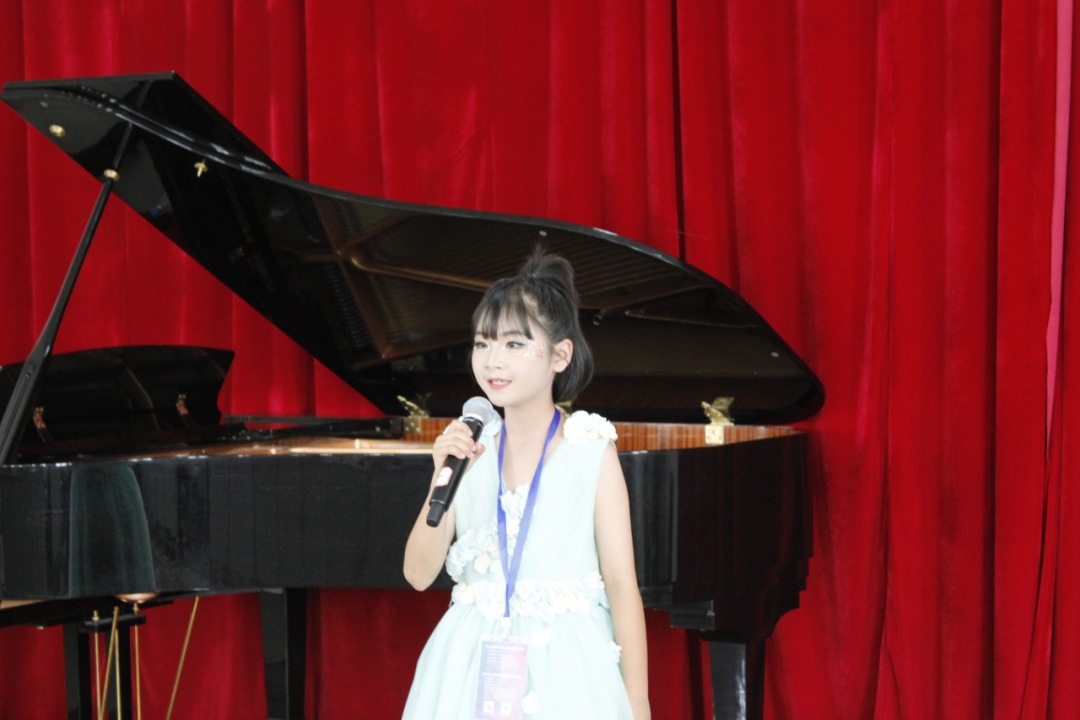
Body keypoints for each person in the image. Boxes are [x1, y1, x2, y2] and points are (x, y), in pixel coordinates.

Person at [402, 250, 650, 720]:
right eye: (482, 343)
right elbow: (417, 575)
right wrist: (442, 475)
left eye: (514, 344)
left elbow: (622, 586)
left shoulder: (590, 451)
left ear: (560, 355)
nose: (493, 360)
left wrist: (638, 705)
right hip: (470, 665)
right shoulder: (468, 448)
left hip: (568, 669)